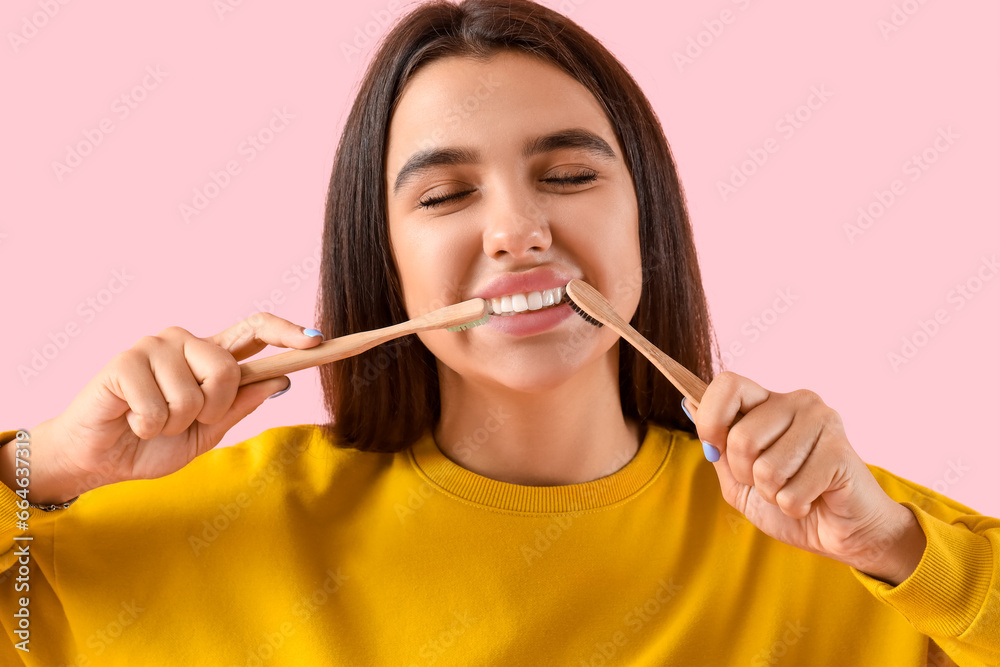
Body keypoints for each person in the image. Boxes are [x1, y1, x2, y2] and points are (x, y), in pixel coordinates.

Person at [2, 0, 997, 664]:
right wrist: (43, 469)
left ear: (645, 220)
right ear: (381, 259)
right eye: (444, 194)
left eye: (568, 175)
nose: (519, 229)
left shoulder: (842, 535)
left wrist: (899, 547)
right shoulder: (216, 528)